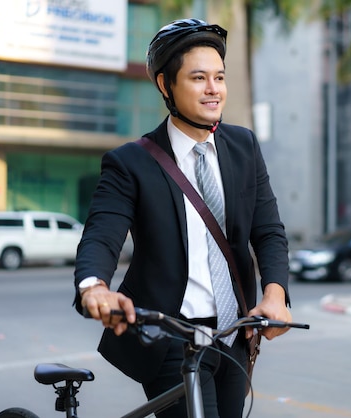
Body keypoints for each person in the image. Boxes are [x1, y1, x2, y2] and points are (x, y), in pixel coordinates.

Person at [73, 18, 292, 418]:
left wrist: (275, 294)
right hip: (170, 336)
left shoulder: (243, 146)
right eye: (198, 78)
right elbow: (101, 235)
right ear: (165, 85)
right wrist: (94, 288)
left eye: (219, 77)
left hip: (235, 335)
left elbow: (269, 231)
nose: (214, 89)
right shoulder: (131, 162)